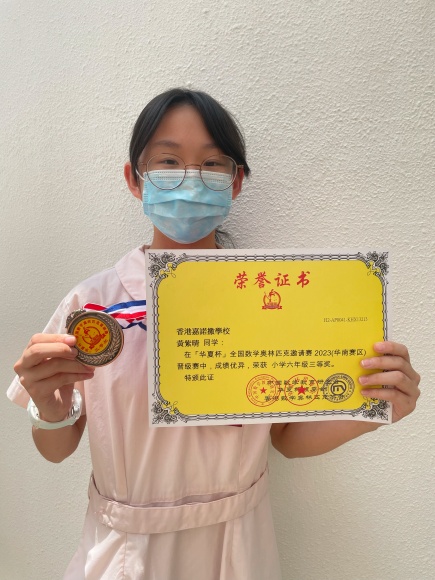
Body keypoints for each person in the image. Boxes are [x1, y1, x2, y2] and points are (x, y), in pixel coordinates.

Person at [8, 88, 421, 580]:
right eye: (168, 162)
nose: (190, 180)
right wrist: (51, 410)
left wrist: (377, 408)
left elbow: (287, 438)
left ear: (235, 182)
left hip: (239, 546)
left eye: (210, 164)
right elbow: (55, 449)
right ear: (135, 179)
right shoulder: (94, 305)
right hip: (125, 552)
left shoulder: (273, 301)